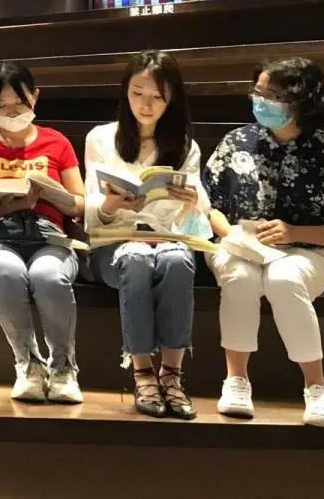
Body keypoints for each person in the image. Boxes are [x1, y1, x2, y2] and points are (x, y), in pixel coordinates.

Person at [204, 58, 324, 428]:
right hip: (238, 245)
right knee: (240, 277)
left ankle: (317, 388)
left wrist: (294, 232)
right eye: (258, 92)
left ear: (302, 101)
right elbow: (208, 205)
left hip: (306, 251)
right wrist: (230, 235)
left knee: (283, 278)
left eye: (273, 96)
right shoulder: (235, 142)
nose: (261, 101)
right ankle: (236, 380)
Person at [84, 50, 210, 420]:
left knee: (177, 260)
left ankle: (171, 374)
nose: (146, 104)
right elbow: (91, 212)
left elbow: (195, 215)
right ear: (125, 92)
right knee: (136, 256)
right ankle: (143, 373)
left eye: (157, 96)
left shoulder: (185, 146)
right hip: (114, 246)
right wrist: (111, 204)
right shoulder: (101, 138)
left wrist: (193, 200)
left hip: (166, 242)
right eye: (137, 93)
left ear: (172, 99)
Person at [0, 61, 86, 404]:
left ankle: (63, 368)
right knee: (8, 272)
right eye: (1, 106)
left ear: (35, 96)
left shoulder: (56, 142)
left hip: (49, 233)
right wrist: (15, 203)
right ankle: (29, 365)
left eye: (18, 104)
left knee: (48, 275)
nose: (11, 113)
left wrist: (51, 194)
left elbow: (79, 203)